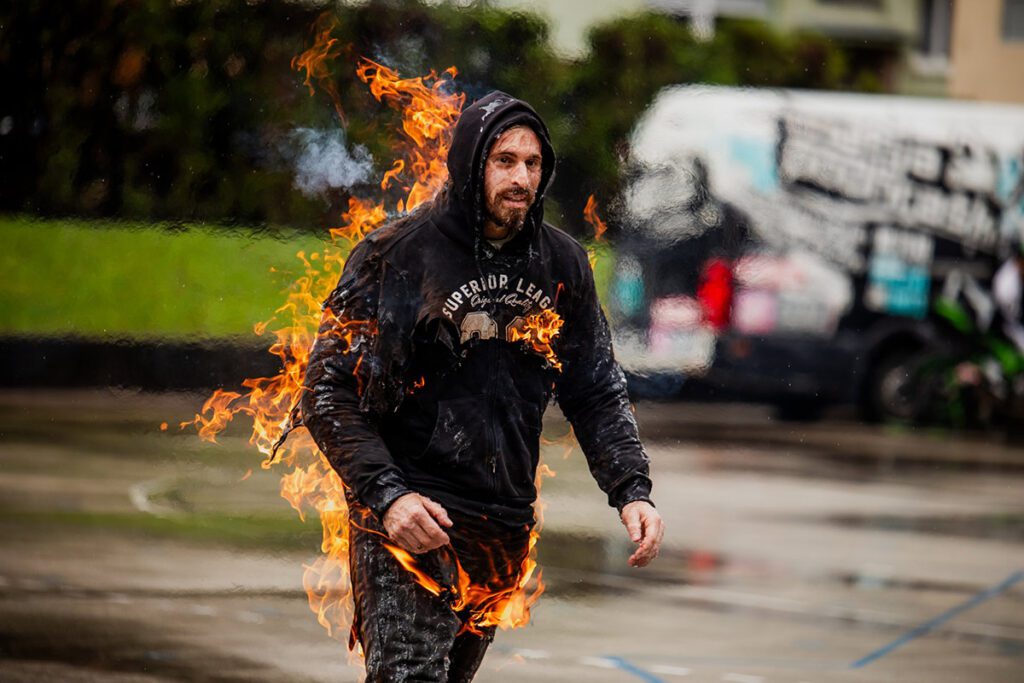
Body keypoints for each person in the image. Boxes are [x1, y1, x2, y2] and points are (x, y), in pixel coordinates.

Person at [300, 91, 664, 682]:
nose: (521, 177)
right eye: (504, 160)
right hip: (412, 516)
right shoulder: (398, 255)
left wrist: (632, 489)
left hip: (501, 526)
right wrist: (388, 497)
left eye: (532, 163)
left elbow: (595, 388)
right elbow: (326, 392)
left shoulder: (562, 263)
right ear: (471, 164)